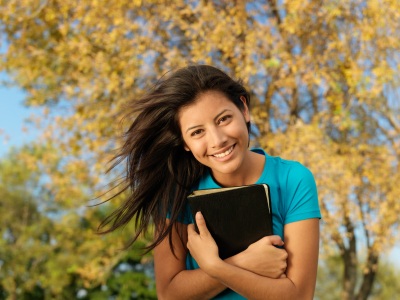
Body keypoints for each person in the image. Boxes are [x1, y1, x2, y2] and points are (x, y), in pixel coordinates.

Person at [100, 65, 321, 299]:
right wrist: (243, 262)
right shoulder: (176, 191)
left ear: (243, 109)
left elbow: (298, 295)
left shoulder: (293, 179)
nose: (217, 140)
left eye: (223, 119)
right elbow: (169, 294)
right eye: (197, 132)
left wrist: (216, 266)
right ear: (184, 142)